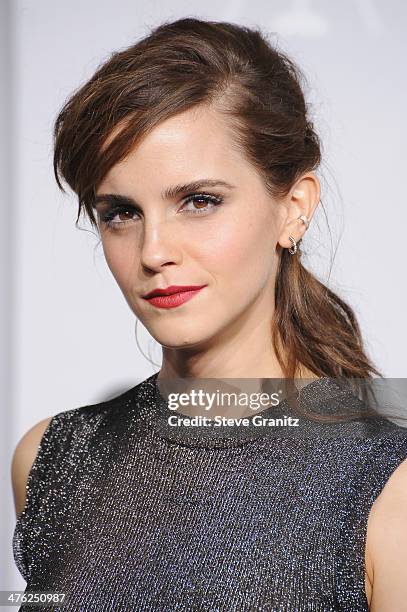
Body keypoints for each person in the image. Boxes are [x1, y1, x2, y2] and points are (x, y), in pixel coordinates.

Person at [11, 17, 407, 612]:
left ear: (292, 209)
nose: (153, 252)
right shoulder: (53, 458)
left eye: (199, 201)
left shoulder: (389, 491)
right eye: (120, 212)